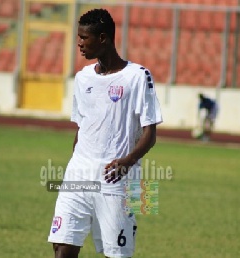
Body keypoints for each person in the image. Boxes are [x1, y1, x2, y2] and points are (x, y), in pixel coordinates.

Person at [47, 9, 163, 258]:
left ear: (103, 38)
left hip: (118, 179)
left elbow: (150, 134)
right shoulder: (82, 78)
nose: (79, 44)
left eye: (84, 38)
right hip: (78, 174)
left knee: (117, 254)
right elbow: (82, 128)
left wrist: (127, 161)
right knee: (62, 245)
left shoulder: (138, 77)